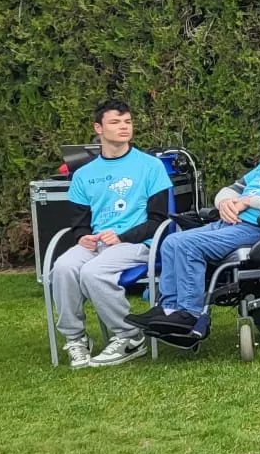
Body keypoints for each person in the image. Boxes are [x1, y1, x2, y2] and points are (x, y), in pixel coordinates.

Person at [131, 121, 260, 340]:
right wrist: (225, 203)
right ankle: (168, 310)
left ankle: (190, 315)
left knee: (187, 245)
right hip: (232, 224)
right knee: (172, 241)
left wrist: (250, 201)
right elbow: (227, 191)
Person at [51, 98, 174, 368]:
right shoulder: (84, 174)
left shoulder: (150, 167)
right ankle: (76, 340)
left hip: (139, 243)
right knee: (63, 267)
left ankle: (130, 336)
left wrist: (122, 237)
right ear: (98, 128)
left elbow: (158, 220)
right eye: (115, 122)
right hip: (98, 245)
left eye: (128, 122)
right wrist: (82, 236)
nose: (124, 127)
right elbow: (80, 223)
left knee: (93, 272)